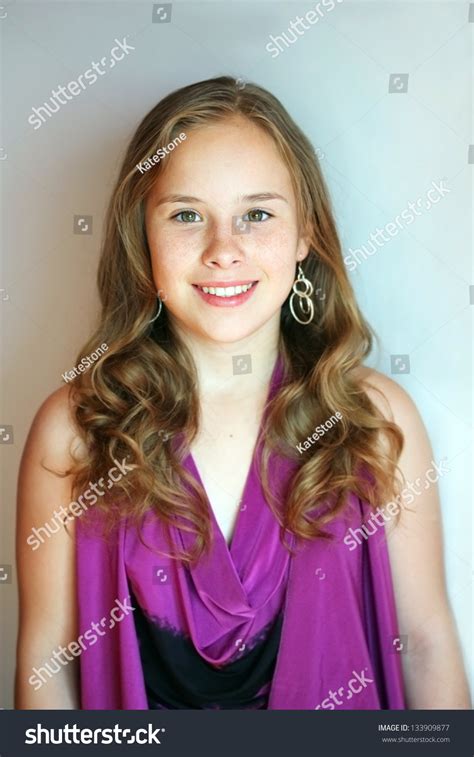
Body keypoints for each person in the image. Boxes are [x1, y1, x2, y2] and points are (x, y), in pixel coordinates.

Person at [15, 76, 470, 710]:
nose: (223, 250)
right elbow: (47, 662)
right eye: (185, 215)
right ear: (140, 237)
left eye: (256, 214)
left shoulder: (374, 419)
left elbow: (423, 643)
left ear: (304, 234)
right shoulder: (74, 428)